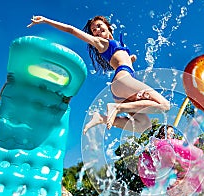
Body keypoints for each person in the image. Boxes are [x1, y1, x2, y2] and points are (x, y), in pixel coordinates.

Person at [27, 15, 170, 133]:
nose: (96, 30)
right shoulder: (101, 42)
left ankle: (101, 118)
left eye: (99, 26)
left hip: (121, 88)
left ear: (108, 26)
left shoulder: (117, 44)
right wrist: (46, 20)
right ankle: (117, 108)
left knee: (144, 126)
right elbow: (71, 30)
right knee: (164, 105)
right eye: (93, 30)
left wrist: (131, 59)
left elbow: (121, 60)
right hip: (122, 79)